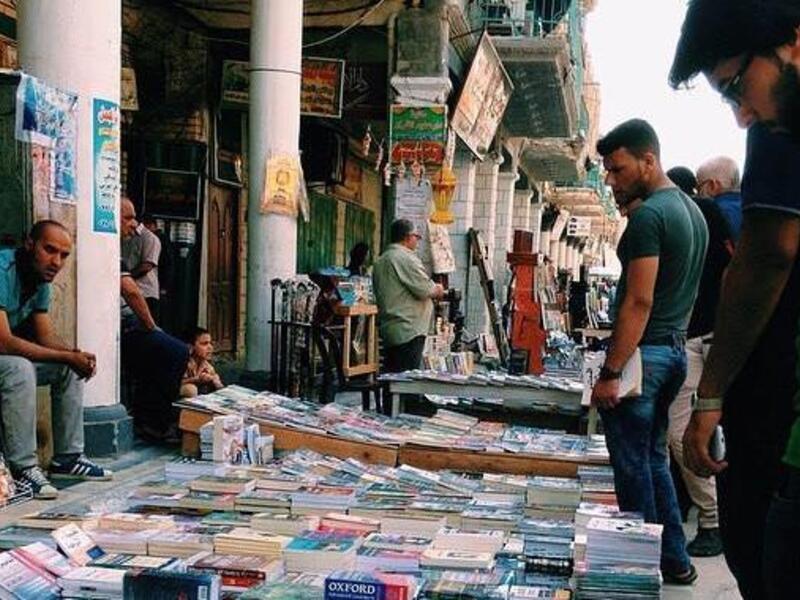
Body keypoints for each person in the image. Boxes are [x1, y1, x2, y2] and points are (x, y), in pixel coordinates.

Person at [671, 3, 800, 597]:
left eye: (736, 87)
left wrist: (712, 394)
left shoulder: (783, 128)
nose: (744, 114)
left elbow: (766, 257)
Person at [590, 119, 708, 585]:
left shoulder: (650, 217)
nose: (614, 180)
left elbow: (639, 300)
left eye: (618, 170)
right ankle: (674, 561)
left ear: (648, 160)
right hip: (674, 350)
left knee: (632, 466)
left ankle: (636, 571)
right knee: (655, 458)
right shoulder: (691, 211)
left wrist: (611, 370)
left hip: (646, 356)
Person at [0, 221, 111, 499]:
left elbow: (45, 335)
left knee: (67, 367)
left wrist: (74, 356)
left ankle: (68, 458)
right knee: (19, 367)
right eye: (49, 250)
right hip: (5, 355)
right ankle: (23, 468)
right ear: (29, 244)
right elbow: (4, 341)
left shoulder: (40, 280)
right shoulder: (3, 270)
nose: (56, 261)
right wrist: (67, 355)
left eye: (63, 255)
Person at [665, 165, 735, 557]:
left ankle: (712, 519)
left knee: (681, 432)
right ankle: (712, 517)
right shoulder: (712, 213)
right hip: (707, 338)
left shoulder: (698, 213)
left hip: (696, 339)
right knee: (691, 433)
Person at [120, 199, 189, 441]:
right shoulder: (107, 248)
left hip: (132, 317)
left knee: (167, 352)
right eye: (127, 218)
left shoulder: (147, 241)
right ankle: (155, 421)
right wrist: (151, 327)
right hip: (123, 325)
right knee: (174, 352)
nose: (133, 224)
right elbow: (130, 290)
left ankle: (152, 418)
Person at [373, 219, 444, 413]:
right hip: (408, 327)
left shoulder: (381, 260)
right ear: (407, 237)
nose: (417, 241)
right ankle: (403, 413)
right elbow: (424, 288)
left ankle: (390, 413)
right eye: (416, 237)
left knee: (393, 375)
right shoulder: (404, 257)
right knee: (405, 378)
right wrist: (438, 289)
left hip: (392, 326)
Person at [122, 207, 162, 322]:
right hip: (126, 293)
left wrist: (126, 277)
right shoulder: (125, 236)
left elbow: (147, 265)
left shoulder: (150, 238)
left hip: (145, 292)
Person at [695, 157, 743, 241]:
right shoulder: (753, 209)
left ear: (712, 185)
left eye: (699, 187)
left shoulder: (712, 215)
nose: (697, 194)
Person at [180, 327, 223, 398]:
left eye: (210, 343)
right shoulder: (182, 362)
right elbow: (173, 383)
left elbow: (219, 386)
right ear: (190, 347)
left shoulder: (207, 365)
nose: (210, 347)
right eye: (204, 344)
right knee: (190, 389)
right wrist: (197, 379)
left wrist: (216, 382)